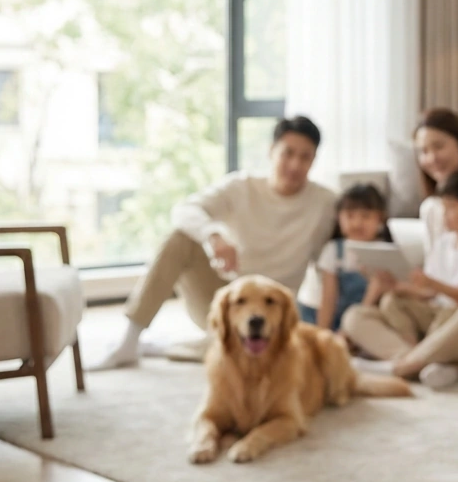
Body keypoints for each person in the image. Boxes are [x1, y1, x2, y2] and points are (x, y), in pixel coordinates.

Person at [90, 116, 337, 370]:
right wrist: (214, 237)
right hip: (227, 298)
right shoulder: (241, 186)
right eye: (288, 153)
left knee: (251, 357)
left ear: (314, 160)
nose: (295, 164)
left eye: (305, 157)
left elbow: (330, 261)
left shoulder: (326, 203)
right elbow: (184, 210)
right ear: (271, 151)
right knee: (180, 238)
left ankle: (175, 346)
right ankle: (129, 342)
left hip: (272, 311)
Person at [342, 108, 458, 382]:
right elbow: (437, 278)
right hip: (442, 317)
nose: (431, 158)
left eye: (439, 146)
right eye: (423, 151)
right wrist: (400, 286)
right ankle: (436, 361)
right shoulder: (431, 209)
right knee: (356, 316)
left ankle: (404, 366)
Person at [354, 171, 458, 388]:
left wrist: (432, 283)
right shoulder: (444, 243)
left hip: (457, 319)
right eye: (444, 207)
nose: (445, 214)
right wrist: (398, 287)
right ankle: (424, 361)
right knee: (363, 313)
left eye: (452, 208)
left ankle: (401, 367)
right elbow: (429, 294)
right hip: (434, 313)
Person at [296, 183, 393, 332]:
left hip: (373, 322)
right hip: (340, 321)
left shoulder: (386, 252)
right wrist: (323, 334)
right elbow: (329, 299)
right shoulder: (334, 251)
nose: (357, 223)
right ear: (338, 217)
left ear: (380, 219)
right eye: (350, 216)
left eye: (366, 216)